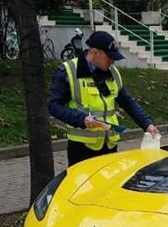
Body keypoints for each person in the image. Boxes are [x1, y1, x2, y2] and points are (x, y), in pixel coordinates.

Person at [48, 30, 159, 167]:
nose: (113, 62)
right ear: (94, 52)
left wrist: (147, 124)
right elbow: (53, 106)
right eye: (109, 57)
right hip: (82, 150)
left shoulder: (113, 73)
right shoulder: (68, 71)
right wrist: (81, 119)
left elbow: (127, 102)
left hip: (109, 147)